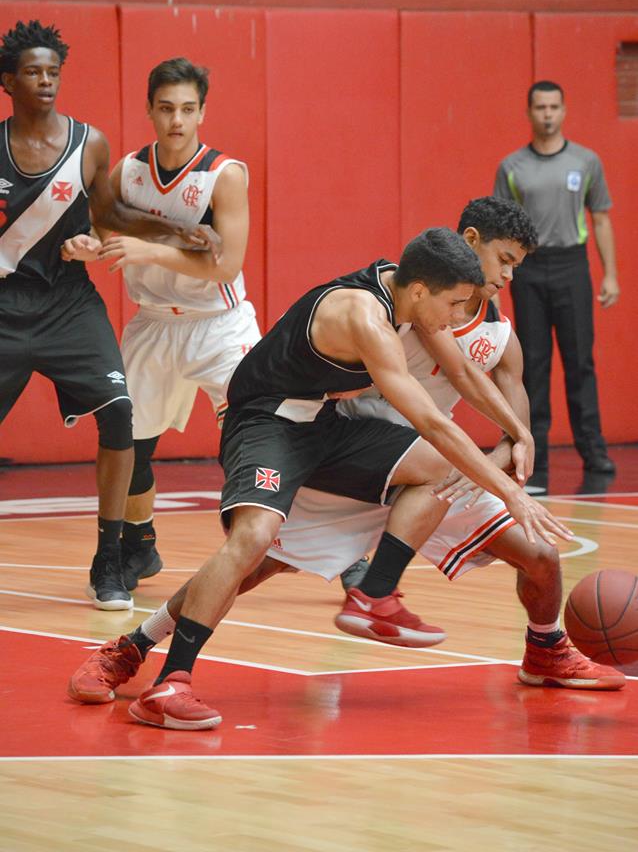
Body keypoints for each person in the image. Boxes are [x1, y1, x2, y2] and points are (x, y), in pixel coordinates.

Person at [68, 199, 623, 715]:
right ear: (444, 273)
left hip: (387, 450)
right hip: (293, 424)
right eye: (503, 261)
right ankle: (142, 655)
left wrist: (518, 436)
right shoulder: (390, 305)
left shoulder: (472, 320)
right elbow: (434, 417)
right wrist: (511, 490)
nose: (505, 278)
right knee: (255, 552)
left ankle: (397, 600)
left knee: (535, 551)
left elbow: (463, 380)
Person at [0, 20, 205, 611]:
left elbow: (110, 215)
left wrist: (179, 229)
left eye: (53, 72)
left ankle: (109, 559)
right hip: (7, 305)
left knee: (119, 412)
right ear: (8, 81)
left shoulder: (88, 143)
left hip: (68, 302)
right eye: (33, 72)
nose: (46, 81)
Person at [66, 57, 261, 591]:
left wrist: (148, 249)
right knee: (130, 444)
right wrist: (87, 245)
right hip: (152, 323)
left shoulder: (225, 174)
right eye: (167, 108)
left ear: (203, 112)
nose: (177, 119)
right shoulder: (128, 171)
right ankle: (140, 545)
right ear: (150, 110)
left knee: (262, 433)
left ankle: (337, 554)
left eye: (188, 109)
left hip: (219, 325)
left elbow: (226, 266)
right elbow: (101, 230)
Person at [494, 80, 619, 490]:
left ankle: (593, 450)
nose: (547, 114)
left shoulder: (586, 161)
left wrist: (611, 274)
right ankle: (535, 453)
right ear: (529, 113)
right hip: (530, 269)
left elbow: (600, 218)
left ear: (564, 111)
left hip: (572, 265)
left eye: (553, 107)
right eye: (540, 107)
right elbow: (500, 230)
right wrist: (496, 281)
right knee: (532, 364)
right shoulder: (511, 167)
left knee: (580, 360)